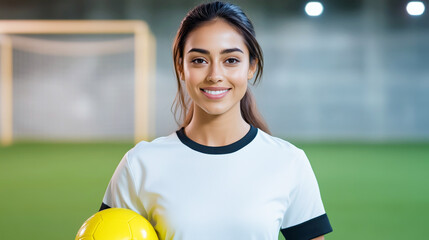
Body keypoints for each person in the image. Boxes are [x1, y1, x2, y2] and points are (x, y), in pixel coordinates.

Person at [99, 1, 333, 240]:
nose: (215, 76)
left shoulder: (289, 162)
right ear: (181, 67)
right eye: (199, 60)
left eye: (231, 60)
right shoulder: (139, 165)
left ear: (251, 66)